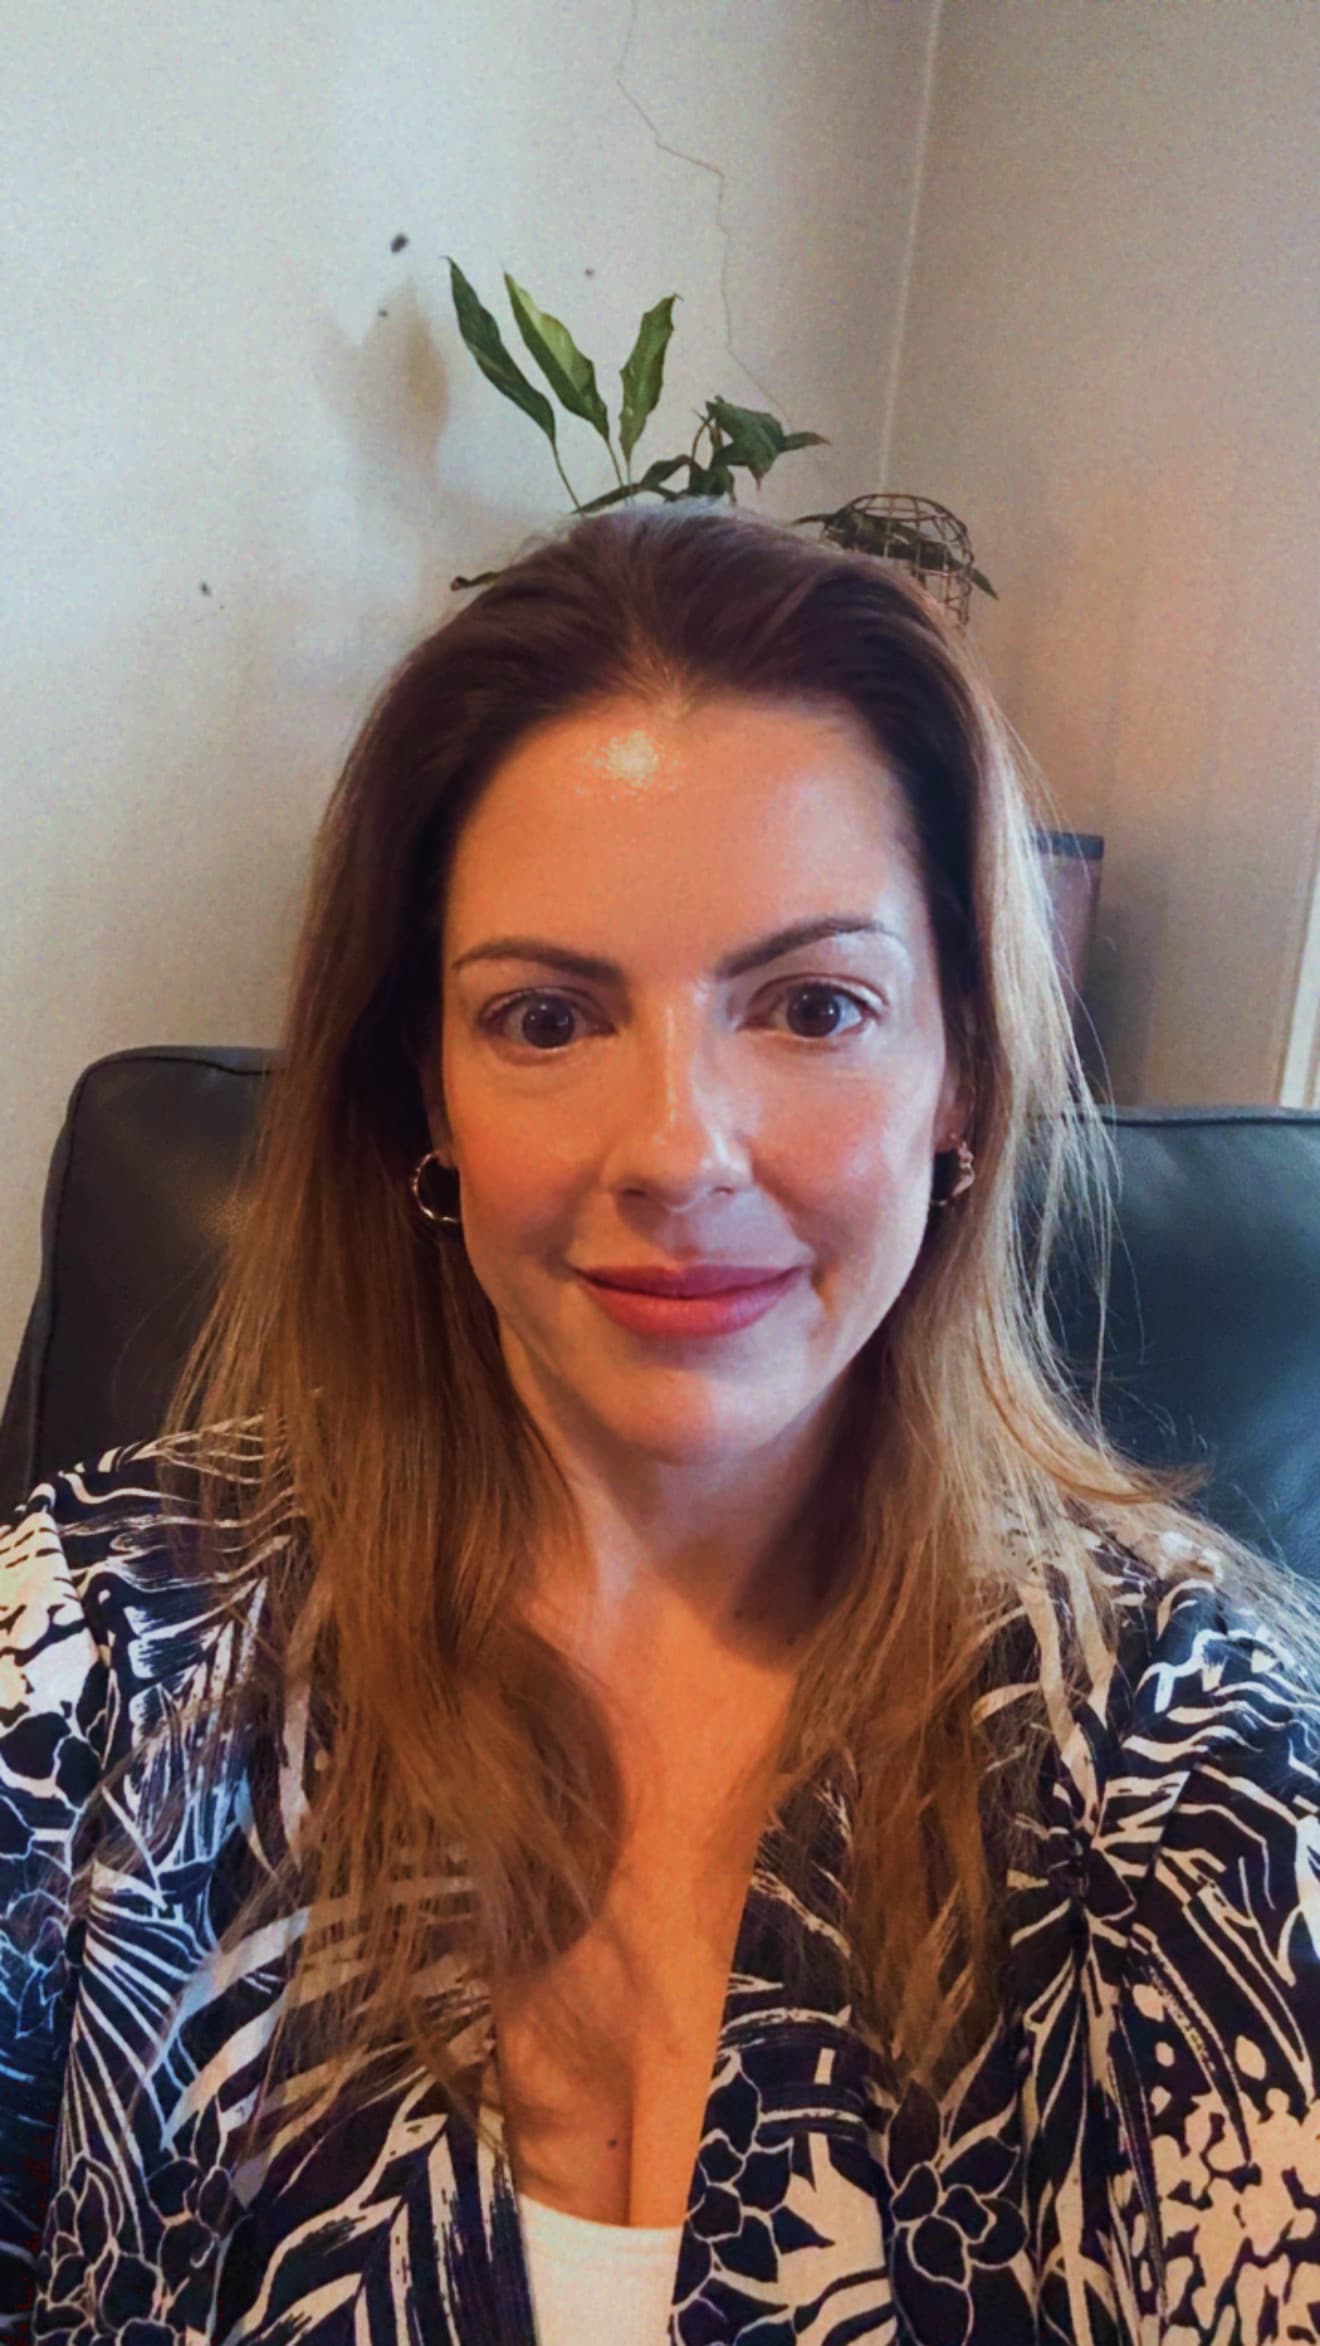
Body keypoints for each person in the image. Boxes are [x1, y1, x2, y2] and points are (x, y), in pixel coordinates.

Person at [1, 502, 1318, 2346]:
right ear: (424, 1101)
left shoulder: (1203, 1750)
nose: (679, 1151)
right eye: (546, 1016)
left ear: (962, 1066)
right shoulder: (91, 1652)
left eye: (811, 1005)